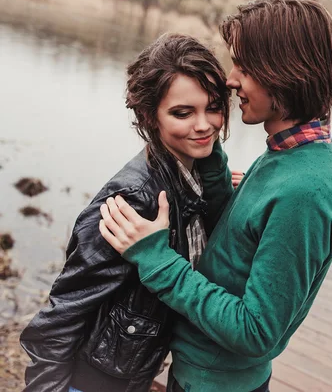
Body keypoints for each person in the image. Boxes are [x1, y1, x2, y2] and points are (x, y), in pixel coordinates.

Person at [98, 0, 332, 391]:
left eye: (244, 68)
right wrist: (210, 155)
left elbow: (256, 331)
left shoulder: (305, 191)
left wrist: (156, 258)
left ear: (283, 73)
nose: (231, 80)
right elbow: (241, 244)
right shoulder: (290, 153)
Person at [19, 33, 233, 392]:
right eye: (183, 112)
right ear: (150, 116)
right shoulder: (135, 199)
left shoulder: (190, 178)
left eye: (213, 107)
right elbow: (61, 316)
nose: (204, 124)